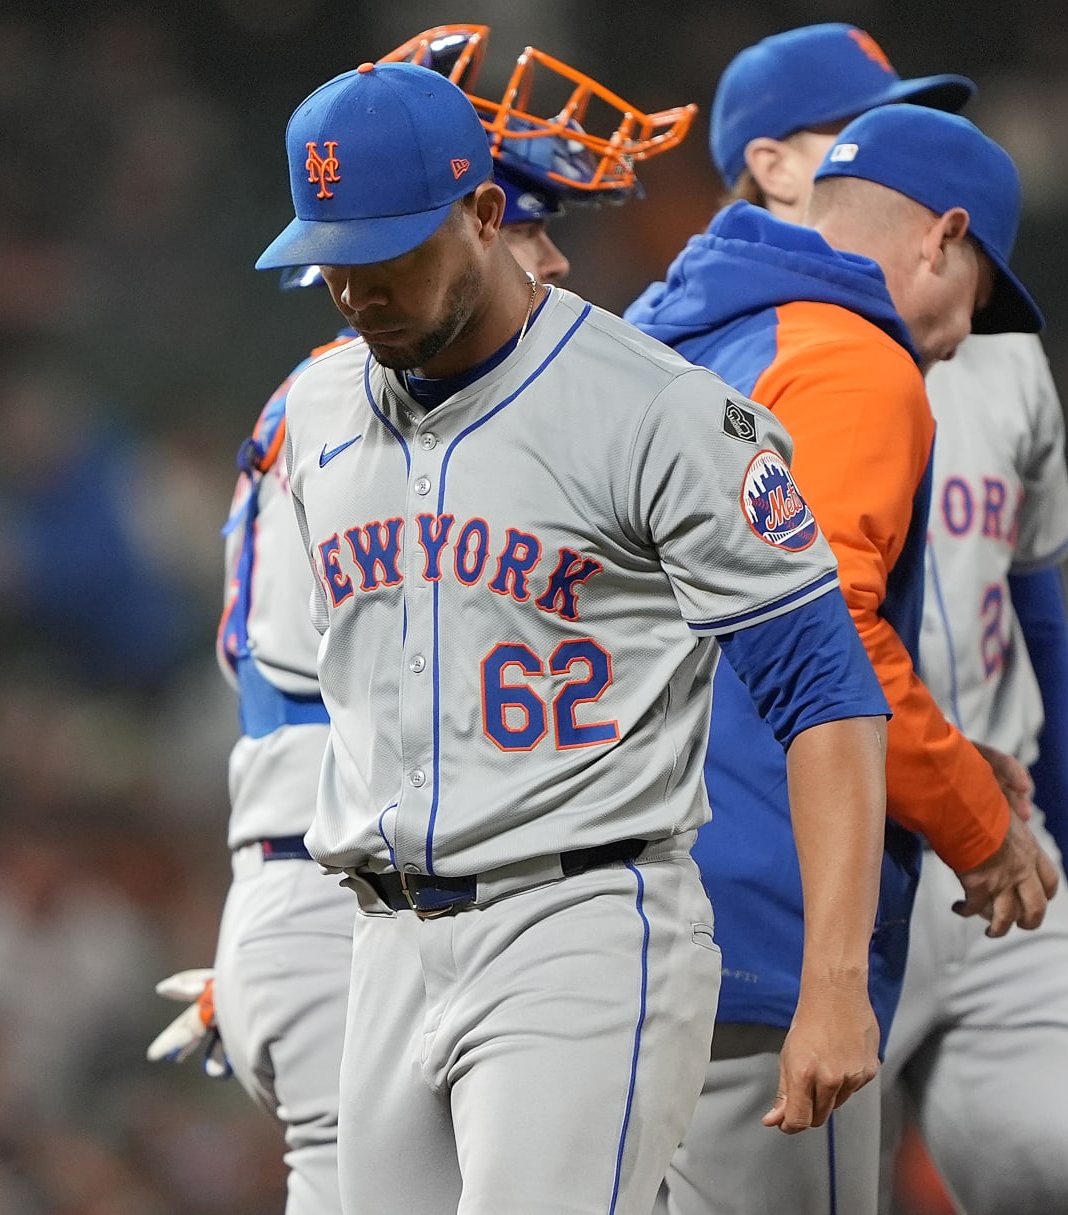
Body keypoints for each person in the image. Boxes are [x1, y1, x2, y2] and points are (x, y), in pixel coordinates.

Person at [260, 59, 900, 1215]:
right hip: (386, 940)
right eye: (335, 263)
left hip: (581, 923)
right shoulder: (312, 414)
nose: (358, 294)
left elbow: (825, 689)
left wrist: (836, 979)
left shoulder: (653, 409)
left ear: (487, 214)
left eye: (393, 254)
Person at [143, 28, 698, 1215]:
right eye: (536, 216)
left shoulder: (338, 405)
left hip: (317, 887)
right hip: (350, 903)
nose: (549, 255)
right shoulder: (364, 417)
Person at [694, 24, 1068, 1214]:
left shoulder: (996, 362)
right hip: (828, 844)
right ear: (780, 168)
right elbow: (821, 632)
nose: (898, 154)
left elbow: (1043, 623)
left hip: (990, 850)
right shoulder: (743, 344)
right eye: (857, 133)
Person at [627, 82, 1059, 1215]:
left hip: (602, 925)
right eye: (977, 295)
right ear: (942, 237)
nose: (964, 334)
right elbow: (833, 634)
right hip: (765, 921)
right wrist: (976, 819)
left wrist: (950, 761)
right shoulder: (852, 360)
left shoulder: (653, 338)